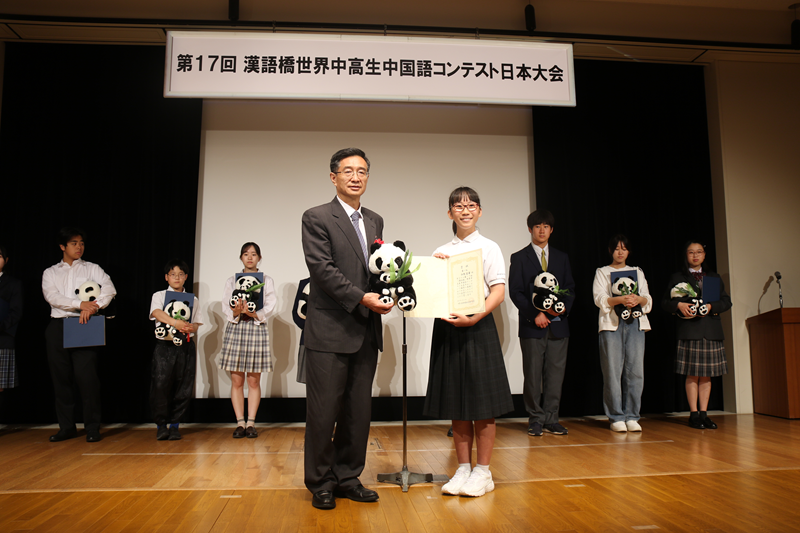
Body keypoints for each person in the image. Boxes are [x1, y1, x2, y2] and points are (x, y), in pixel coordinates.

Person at [301, 147, 393, 510]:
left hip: (365, 330)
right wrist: (362, 298)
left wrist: (394, 287)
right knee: (323, 414)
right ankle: (321, 482)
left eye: (362, 171)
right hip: (329, 330)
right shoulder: (316, 217)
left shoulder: (375, 220)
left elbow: (378, 268)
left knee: (358, 413)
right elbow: (322, 270)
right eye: (348, 170)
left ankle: (348, 477)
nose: (356, 177)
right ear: (333, 177)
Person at [423, 186, 514, 498]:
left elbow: (498, 291)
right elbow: (433, 292)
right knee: (457, 402)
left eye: (471, 205)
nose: (465, 210)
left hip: (478, 327)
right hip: (449, 327)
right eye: (459, 206)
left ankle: (483, 472)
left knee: (483, 404)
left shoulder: (489, 247)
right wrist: (432, 272)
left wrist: (475, 317)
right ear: (450, 213)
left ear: (479, 211)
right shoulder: (441, 251)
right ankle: (463, 468)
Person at [42, 227, 116, 442]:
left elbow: (109, 289)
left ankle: (92, 427)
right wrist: (79, 304)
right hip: (58, 325)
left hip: (84, 324)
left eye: (81, 243)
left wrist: (93, 306)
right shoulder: (51, 272)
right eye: (74, 243)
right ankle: (67, 427)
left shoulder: (92, 268)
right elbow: (52, 296)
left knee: (87, 379)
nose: (79, 247)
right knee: (61, 379)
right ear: (62, 246)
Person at [509, 210, 575, 437]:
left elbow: (569, 288)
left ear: (551, 230)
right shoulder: (519, 257)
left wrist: (561, 310)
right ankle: (535, 419)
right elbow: (516, 292)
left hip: (558, 325)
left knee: (555, 375)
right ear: (530, 229)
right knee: (533, 375)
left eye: (546, 226)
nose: (542, 230)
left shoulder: (561, 257)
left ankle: (552, 419)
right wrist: (535, 314)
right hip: (532, 326)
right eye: (537, 226)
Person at [662, 241, 732, 430]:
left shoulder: (714, 277)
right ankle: (693, 414)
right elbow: (665, 302)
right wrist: (679, 305)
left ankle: (704, 414)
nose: (695, 255)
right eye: (691, 252)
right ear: (686, 255)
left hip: (711, 330)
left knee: (707, 376)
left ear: (704, 254)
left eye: (699, 252)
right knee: (692, 374)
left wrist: (711, 306)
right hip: (690, 330)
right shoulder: (678, 277)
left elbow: (726, 302)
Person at [592, 234, 652, 432]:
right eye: (617, 248)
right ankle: (616, 416)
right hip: (612, 325)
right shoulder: (603, 272)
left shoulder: (637, 272)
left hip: (635, 324)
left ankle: (632, 416)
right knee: (612, 371)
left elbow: (647, 298)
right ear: (611, 251)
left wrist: (637, 299)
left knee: (635, 371)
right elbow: (599, 299)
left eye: (624, 249)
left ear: (628, 251)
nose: (620, 252)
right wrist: (620, 299)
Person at [218, 242, 276, 438]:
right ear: (241, 257)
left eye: (253, 254)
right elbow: (225, 305)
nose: (250, 257)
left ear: (259, 258)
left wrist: (254, 314)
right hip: (236, 328)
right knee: (237, 380)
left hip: (255, 327)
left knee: (253, 380)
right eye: (245, 254)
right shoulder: (231, 281)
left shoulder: (266, 280)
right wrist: (235, 312)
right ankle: (240, 423)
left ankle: (251, 423)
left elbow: (270, 304)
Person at [149, 259, 203, 440]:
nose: (177, 278)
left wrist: (190, 327)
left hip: (185, 346)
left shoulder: (193, 299)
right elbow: (156, 313)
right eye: (173, 274)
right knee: (160, 385)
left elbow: (197, 324)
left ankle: (175, 425)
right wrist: (175, 323)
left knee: (183, 386)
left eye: (180, 274)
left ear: (186, 277)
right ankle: (161, 425)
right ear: (167, 277)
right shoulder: (159, 295)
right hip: (165, 346)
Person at [0, 245, 23, 397]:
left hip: (2, 337)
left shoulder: (13, 283)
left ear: (6, 260)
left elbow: (16, 312)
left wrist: (1, 326)